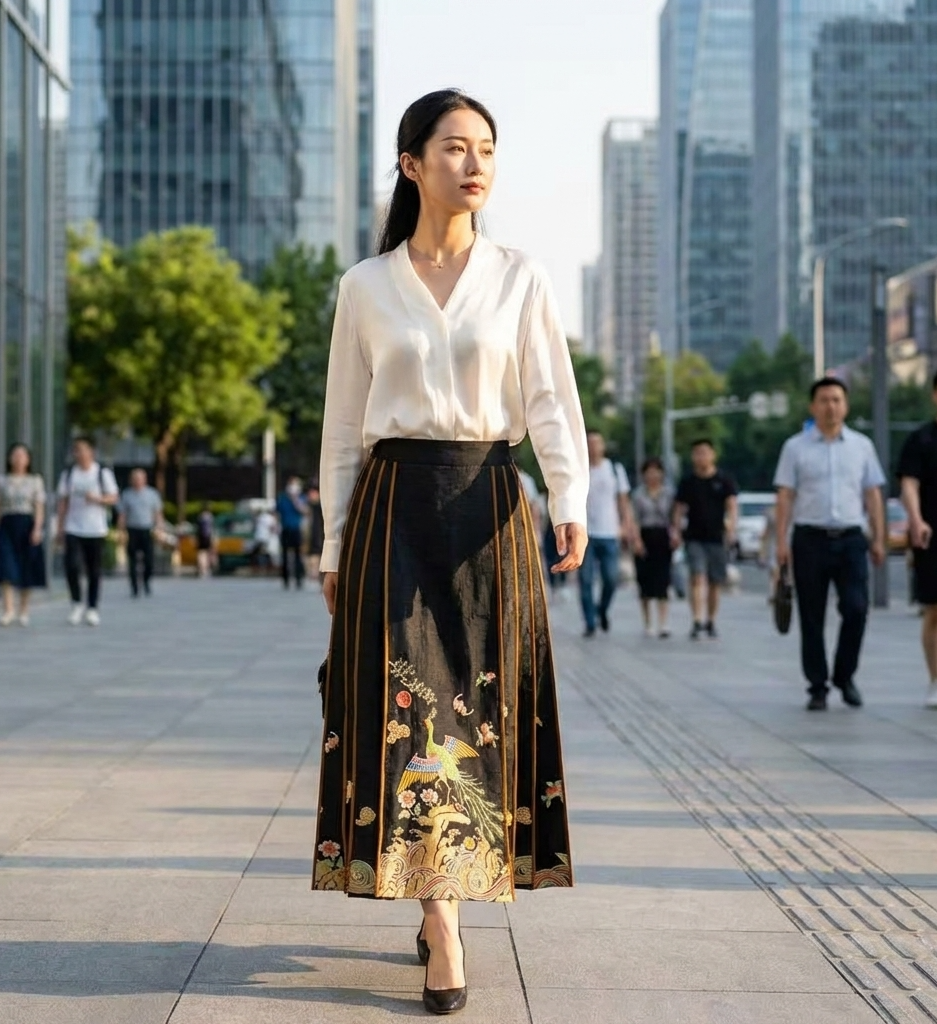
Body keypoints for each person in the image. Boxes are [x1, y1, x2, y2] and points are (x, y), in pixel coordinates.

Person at [315, 90, 588, 1015]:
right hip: (392, 509)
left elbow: (552, 398)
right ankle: (441, 921)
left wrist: (569, 497)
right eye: (453, 148)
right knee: (410, 709)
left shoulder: (521, 277)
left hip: (490, 506)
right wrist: (332, 542)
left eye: (486, 150)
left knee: (480, 713)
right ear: (410, 164)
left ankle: (445, 891)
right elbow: (344, 430)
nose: (474, 164)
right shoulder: (364, 285)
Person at [774, 377, 887, 711]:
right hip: (809, 538)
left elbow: (873, 494)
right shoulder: (795, 447)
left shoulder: (862, 446)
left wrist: (879, 537)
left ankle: (845, 675)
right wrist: (781, 541)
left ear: (846, 405)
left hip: (851, 538)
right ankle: (817, 685)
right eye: (823, 400)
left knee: (856, 608)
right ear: (813, 406)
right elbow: (785, 496)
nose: (830, 406)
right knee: (811, 615)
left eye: (836, 400)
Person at [898, 368, 937, 708]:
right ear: (935, 395)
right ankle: (936, 680)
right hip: (933, 534)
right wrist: (916, 520)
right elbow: (909, 484)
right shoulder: (922, 440)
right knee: (936, 611)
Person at [673, 439, 738, 640]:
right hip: (694, 537)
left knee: (715, 582)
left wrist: (731, 529)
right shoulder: (688, 482)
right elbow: (678, 509)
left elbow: (732, 506)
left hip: (716, 537)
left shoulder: (724, 480)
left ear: (713, 455)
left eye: (705, 452)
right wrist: (675, 531)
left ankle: (711, 619)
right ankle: (697, 619)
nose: (701, 457)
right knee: (697, 577)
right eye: (697, 453)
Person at [57, 437, 119, 626]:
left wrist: (98, 499)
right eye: (77, 450)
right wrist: (59, 527)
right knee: (72, 566)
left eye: (84, 450)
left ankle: (92, 607)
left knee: (94, 570)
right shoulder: (69, 474)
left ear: (92, 452)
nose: (80, 454)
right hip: (73, 527)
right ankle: (76, 603)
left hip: (96, 529)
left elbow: (113, 498)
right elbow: (63, 501)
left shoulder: (101, 473)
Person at [0, 443, 47, 626]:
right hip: (6, 524)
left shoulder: (35, 480)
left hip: (27, 524)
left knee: (27, 567)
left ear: (28, 460)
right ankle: (8, 609)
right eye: (15, 455)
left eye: (22, 455)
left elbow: (39, 507)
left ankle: (24, 610)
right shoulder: (1, 481)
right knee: (5, 565)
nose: (18, 459)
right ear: (9, 458)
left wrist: (37, 528)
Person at [580, 432, 634, 637]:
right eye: (589, 443)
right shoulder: (580, 470)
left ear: (603, 446)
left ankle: (601, 609)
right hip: (585, 534)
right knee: (585, 580)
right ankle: (590, 622)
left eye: (596, 443)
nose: (593, 447)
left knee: (611, 579)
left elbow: (623, 500)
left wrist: (626, 525)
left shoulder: (614, 469)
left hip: (609, 531)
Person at [631, 457, 675, 638]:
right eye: (649, 471)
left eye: (656, 471)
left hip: (663, 537)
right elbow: (633, 519)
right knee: (645, 581)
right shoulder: (638, 494)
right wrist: (636, 540)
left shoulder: (669, 493)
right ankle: (647, 622)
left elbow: (675, 516)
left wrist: (675, 534)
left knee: (663, 580)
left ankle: (663, 623)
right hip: (645, 535)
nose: (653, 475)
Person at [118, 468, 163, 597]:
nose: (137, 481)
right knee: (132, 560)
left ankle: (146, 580)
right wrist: (121, 531)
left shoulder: (152, 494)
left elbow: (157, 513)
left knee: (149, 559)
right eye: (135, 479)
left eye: (140, 478)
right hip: (132, 529)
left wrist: (159, 528)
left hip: (147, 529)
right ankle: (134, 587)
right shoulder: (127, 494)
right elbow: (123, 514)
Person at [276, 475, 307, 590]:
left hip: (296, 529)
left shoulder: (301, 498)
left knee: (298, 555)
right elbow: (277, 512)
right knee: (284, 555)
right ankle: (285, 579)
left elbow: (304, 511)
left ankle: (299, 578)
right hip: (285, 529)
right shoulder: (282, 498)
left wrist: (295, 499)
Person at [305, 480, 325, 579]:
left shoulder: (321, 507)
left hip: (321, 540)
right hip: (314, 540)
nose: (310, 495)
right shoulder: (311, 507)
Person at [196, 503, 215, 577]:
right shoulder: (210, 517)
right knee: (207, 553)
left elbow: (197, 529)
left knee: (201, 553)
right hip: (208, 537)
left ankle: (201, 569)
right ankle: (205, 569)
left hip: (201, 537)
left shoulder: (200, 517)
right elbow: (212, 529)